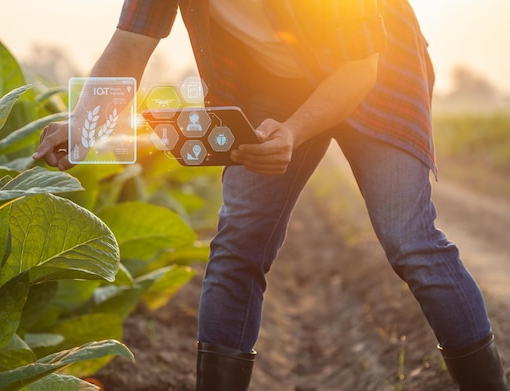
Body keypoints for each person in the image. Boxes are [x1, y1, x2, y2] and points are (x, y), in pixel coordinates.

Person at [33, 1, 508, 390]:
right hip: (267, 83)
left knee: (408, 238)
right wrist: (83, 125)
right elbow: (131, 44)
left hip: (375, 74)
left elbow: (359, 68)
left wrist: (294, 132)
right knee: (238, 243)